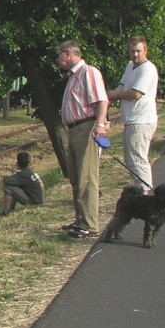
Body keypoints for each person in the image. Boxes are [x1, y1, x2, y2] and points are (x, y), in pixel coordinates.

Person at [57, 40, 109, 240]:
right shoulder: (73, 76)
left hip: (85, 127)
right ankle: (80, 219)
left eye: (59, 55)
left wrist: (100, 125)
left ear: (68, 54)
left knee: (86, 177)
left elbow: (101, 100)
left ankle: (89, 224)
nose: (57, 60)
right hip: (74, 129)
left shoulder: (88, 72)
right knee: (76, 177)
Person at [107, 36, 159, 192]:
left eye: (138, 51)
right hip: (131, 120)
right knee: (131, 159)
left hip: (141, 121)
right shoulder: (130, 66)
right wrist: (105, 95)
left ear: (145, 51)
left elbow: (136, 94)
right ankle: (141, 189)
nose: (135, 54)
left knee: (137, 159)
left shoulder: (148, 69)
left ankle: (144, 192)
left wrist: (115, 96)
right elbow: (121, 88)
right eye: (132, 51)